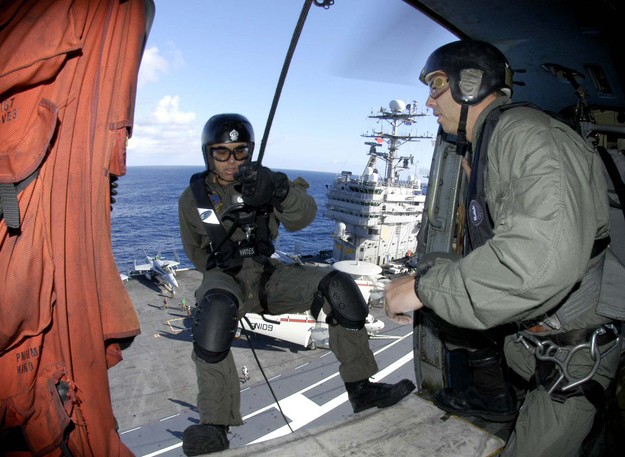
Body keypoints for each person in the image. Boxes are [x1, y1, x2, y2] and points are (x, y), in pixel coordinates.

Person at [384, 40, 624, 456]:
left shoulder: (528, 136)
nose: (428, 101)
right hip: (533, 335)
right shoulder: (493, 140)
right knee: (434, 265)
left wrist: (423, 290)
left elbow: (538, 263)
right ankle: (495, 397)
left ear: (470, 83)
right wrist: (428, 279)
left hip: (574, 353)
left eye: (436, 86)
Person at [178, 113, 415, 455]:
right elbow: (196, 252)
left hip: (268, 275)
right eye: (222, 152)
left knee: (340, 287)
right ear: (208, 154)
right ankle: (215, 425)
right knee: (213, 314)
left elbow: (303, 216)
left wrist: (280, 189)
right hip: (225, 277)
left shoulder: (267, 182)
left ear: (250, 151)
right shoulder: (193, 198)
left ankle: (362, 389)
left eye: (240, 151)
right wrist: (223, 275)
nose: (232, 160)